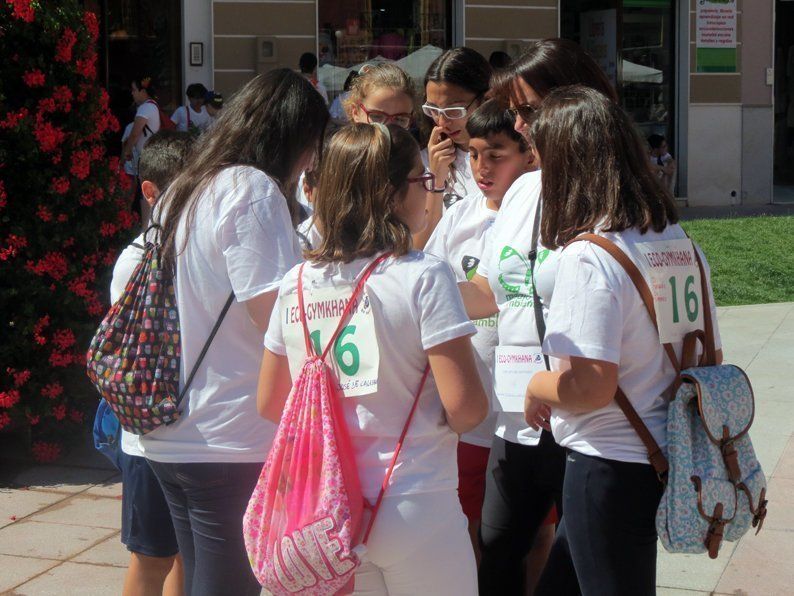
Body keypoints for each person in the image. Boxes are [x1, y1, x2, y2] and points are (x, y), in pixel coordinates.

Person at [258, 123, 489, 595]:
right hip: (415, 499)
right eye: (422, 181)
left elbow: (268, 403)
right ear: (390, 192)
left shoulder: (295, 282)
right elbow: (466, 409)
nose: (428, 193)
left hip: (325, 510)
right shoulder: (423, 275)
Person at [525, 85, 721, 596]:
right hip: (666, 453)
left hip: (606, 463)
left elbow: (588, 386)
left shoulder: (589, 257)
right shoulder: (679, 241)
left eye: (542, 158)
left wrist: (536, 385)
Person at [141, 69, 329, 596]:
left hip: (173, 426)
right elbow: (272, 311)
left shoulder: (189, 185)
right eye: (311, 146)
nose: (311, 162)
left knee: (203, 574)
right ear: (292, 137)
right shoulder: (250, 188)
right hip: (229, 430)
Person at [458, 38, 620, 595]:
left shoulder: (613, 197)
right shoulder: (525, 188)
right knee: (498, 549)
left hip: (587, 418)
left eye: (530, 110)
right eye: (519, 112)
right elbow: (486, 292)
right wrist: (404, 289)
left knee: (573, 574)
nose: (521, 125)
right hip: (517, 411)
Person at [424, 99, 533, 566]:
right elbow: (428, 281)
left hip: (523, 413)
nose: (482, 167)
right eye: (474, 154)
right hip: (470, 411)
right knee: (472, 531)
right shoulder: (460, 215)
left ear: (529, 155)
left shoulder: (540, 217)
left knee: (531, 535)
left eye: (496, 154)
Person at [109, 130, 194, 596]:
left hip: (191, 434)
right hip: (150, 440)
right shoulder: (136, 261)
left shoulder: (196, 252)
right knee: (152, 558)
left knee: (187, 554)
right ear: (151, 192)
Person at [417, 47, 491, 249]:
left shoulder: (508, 157)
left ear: (485, 99)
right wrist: (436, 179)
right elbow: (420, 247)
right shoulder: (424, 159)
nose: (442, 121)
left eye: (454, 110)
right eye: (433, 110)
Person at [122, 76, 163, 176]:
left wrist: (126, 151)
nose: (132, 93)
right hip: (150, 158)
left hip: (148, 160)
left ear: (143, 91)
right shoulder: (152, 105)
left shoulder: (145, 107)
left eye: (134, 90)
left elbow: (135, 134)